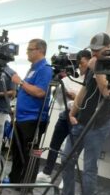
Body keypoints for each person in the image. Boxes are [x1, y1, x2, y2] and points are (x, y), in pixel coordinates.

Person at [61, 34, 110, 195]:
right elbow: (84, 90)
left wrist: (98, 68)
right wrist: (72, 113)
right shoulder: (93, 64)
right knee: (66, 158)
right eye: (93, 50)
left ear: (108, 47)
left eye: (98, 51)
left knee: (89, 168)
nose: (94, 54)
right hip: (81, 120)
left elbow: (106, 92)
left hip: (99, 124)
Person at [38, 49, 91, 181]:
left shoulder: (91, 80)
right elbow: (58, 98)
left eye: (83, 63)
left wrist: (75, 97)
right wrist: (62, 89)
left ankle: (66, 179)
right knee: (54, 145)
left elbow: (87, 101)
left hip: (79, 120)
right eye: (78, 63)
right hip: (64, 116)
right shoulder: (70, 77)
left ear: (90, 62)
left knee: (71, 153)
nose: (80, 65)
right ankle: (46, 172)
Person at [7, 39, 53, 184]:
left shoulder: (45, 69)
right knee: (16, 152)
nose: (27, 52)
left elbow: (40, 92)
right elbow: (27, 91)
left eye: (30, 49)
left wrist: (20, 82)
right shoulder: (32, 68)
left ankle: (26, 188)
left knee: (30, 156)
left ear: (39, 51)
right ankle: (15, 181)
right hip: (22, 118)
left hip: (33, 119)